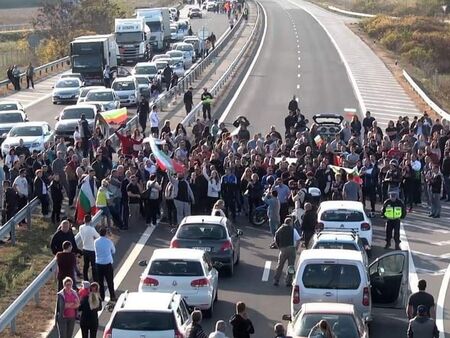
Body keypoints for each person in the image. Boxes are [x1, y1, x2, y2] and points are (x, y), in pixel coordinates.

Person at [273, 218, 301, 286]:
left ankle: (276, 280)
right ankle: (288, 281)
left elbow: (275, 239)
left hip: (283, 249)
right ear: (290, 223)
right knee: (290, 266)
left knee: (280, 265)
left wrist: (279, 247)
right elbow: (298, 240)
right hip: (292, 249)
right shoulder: (293, 230)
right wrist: (296, 248)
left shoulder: (280, 230)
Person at [94, 227, 116, 301]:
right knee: (110, 281)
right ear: (106, 233)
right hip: (107, 263)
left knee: (100, 282)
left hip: (99, 263)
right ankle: (112, 296)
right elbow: (113, 251)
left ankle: (102, 297)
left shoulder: (96, 241)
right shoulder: (109, 241)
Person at [79, 215, 100, 281]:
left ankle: (86, 279)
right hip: (92, 249)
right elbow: (98, 237)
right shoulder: (92, 229)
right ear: (90, 221)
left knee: (86, 265)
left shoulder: (81, 227)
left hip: (85, 248)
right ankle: (95, 280)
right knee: (94, 266)